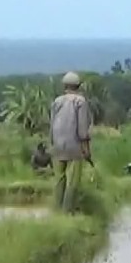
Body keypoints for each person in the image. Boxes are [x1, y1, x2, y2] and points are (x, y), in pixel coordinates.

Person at [50, 71, 93, 213]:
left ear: (65, 86)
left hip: (57, 145)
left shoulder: (57, 101)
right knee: (73, 181)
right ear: (78, 86)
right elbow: (82, 128)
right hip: (74, 145)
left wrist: (53, 143)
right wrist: (86, 149)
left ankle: (56, 209)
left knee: (58, 179)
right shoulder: (80, 101)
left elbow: (52, 124)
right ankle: (67, 211)